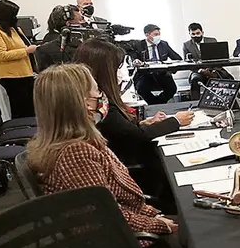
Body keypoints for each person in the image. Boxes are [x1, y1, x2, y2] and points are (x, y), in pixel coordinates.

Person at [27, 64, 185, 248]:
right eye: (96, 91)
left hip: (123, 230)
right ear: (84, 104)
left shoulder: (68, 142)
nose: (101, 96)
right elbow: (106, 216)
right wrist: (159, 224)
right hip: (123, 246)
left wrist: (154, 216)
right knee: (206, 237)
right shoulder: (75, 153)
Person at [74, 39, 192, 200]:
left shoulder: (99, 100)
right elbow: (136, 135)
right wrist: (175, 121)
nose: (121, 74)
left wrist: (141, 123)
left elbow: (121, 130)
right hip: (132, 170)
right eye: (117, 68)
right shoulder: (98, 105)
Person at [0, 0, 37, 118]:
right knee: (21, 110)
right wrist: (26, 51)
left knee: (31, 108)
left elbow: (23, 43)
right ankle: (23, 133)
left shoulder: (12, 29)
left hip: (25, 73)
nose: (16, 18)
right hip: (12, 76)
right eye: (13, 15)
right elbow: (0, 55)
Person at [132, 24, 181, 105]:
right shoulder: (139, 45)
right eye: (155, 35)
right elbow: (133, 59)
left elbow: (178, 58)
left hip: (162, 73)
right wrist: (136, 61)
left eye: (159, 34)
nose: (158, 36)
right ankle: (156, 104)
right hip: (146, 75)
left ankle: (157, 104)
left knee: (172, 89)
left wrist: (171, 71)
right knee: (141, 88)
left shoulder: (164, 44)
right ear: (147, 35)